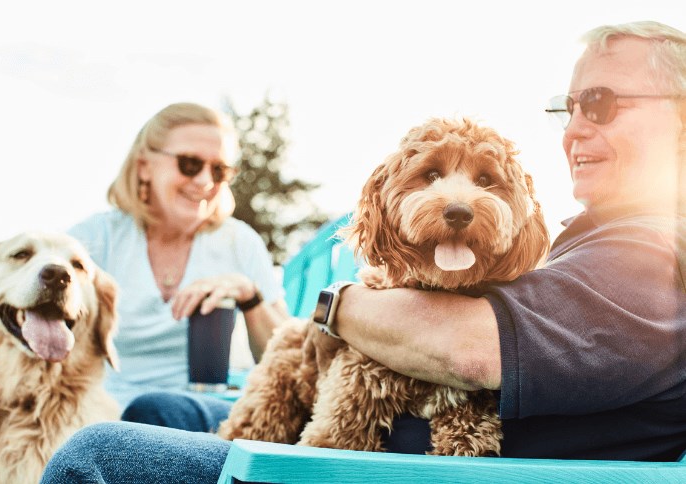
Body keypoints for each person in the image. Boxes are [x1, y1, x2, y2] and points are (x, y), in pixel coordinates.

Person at [41, 21, 685, 483]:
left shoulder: (651, 252)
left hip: (372, 462)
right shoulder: (596, 237)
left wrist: (336, 303)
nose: (573, 128)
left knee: (97, 453)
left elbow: (467, 349)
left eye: (600, 104)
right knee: (161, 409)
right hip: (362, 434)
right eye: (568, 107)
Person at [66, 102, 289, 426]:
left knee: (156, 410)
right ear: (144, 166)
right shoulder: (98, 239)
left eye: (219, 171)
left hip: (198, 415)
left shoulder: (239, 242)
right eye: (189, 164)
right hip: (100, 411)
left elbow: (289, 360)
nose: (205, 182)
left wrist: (250, 297)